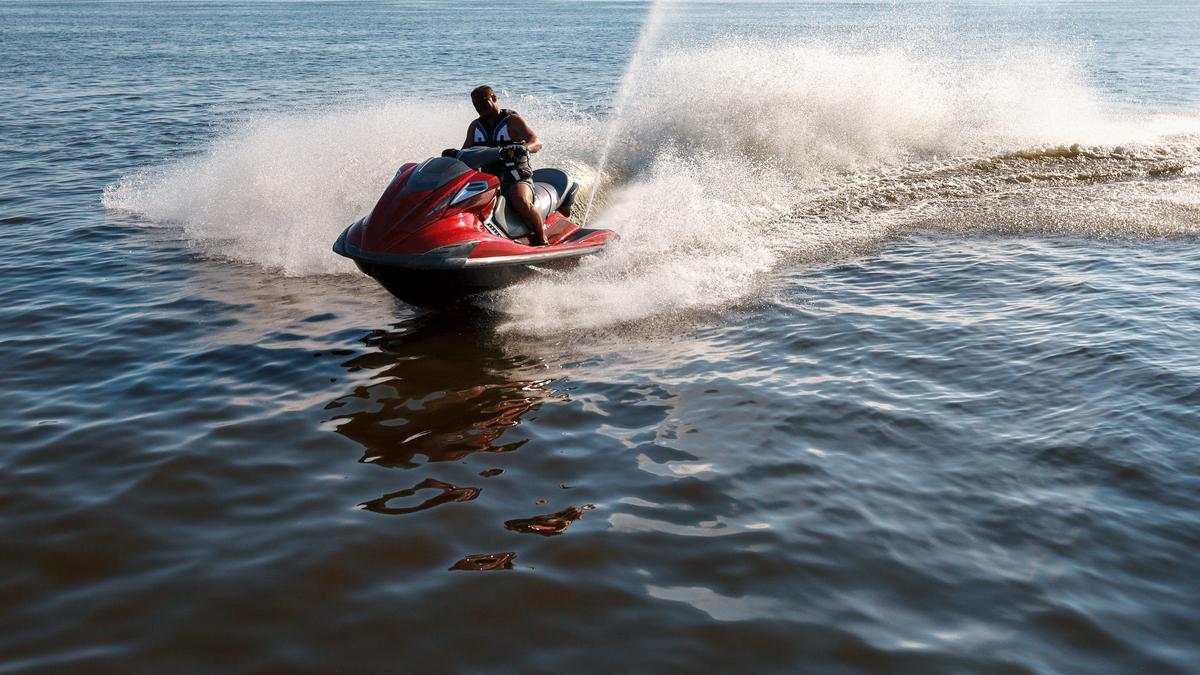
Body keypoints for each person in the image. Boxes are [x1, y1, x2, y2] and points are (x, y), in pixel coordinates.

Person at [462, 85, 547, 245]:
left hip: (516, 178)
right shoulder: (475, 127)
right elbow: (465, 152)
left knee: (520, 200)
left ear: (494, 98)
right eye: (476, 105)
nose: (479, 107)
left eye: (482, 102)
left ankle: (542, 239)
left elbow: (536, 141)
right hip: (489, 181)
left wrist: (523, 148)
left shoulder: (512, 120)